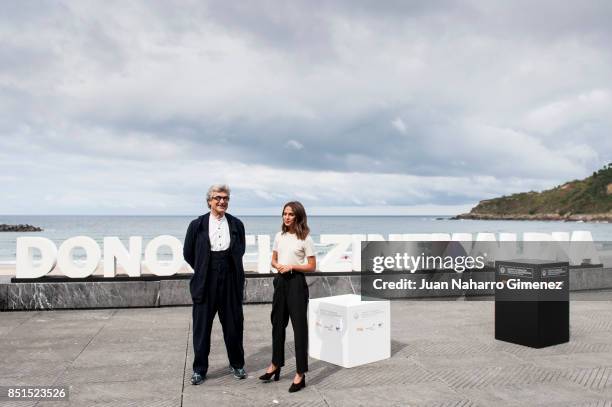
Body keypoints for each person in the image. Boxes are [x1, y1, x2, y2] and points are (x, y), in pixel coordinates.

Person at [183, 184, 247, 385]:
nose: (222, 202)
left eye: (226, 198)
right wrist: (203, 268)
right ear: (209, 200)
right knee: (202, 328)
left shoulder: (237, 224)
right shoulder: (197, 225)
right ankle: (199, 370)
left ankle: (237, 364)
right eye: (218, 198)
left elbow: (240, 250)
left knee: (234, 326)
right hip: (205, 281)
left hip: (230, 278)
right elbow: (188, 252)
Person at [259, 201, 316, 393]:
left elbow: (311, 266)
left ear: (298, 216)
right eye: (284, 214)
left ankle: (300, 374)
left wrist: (292, 267)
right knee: (277, 324)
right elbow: (273, 259)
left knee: (299, 329)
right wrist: (278, 266)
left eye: (291, 214)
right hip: (280, 282)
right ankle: (276, 364)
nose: (287, 217)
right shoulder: (279, 236)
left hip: (296, 283)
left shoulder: (305, 238)